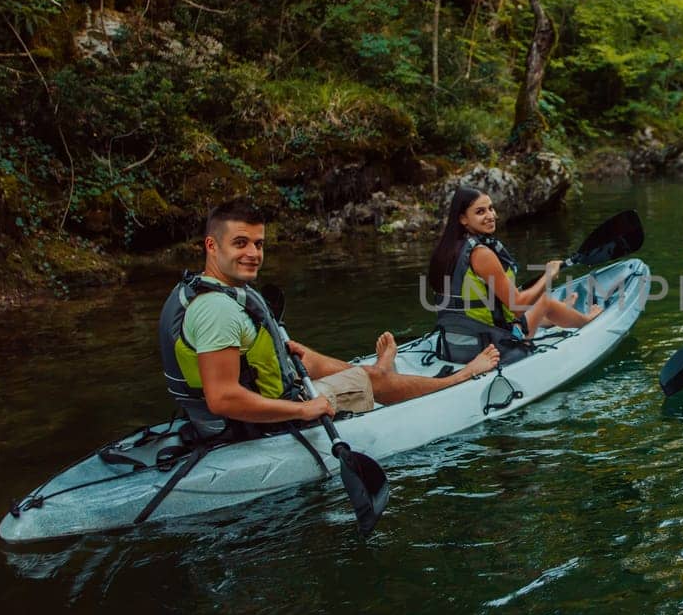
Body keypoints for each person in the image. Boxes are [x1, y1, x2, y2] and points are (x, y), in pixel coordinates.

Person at [159, 200, 498, 438]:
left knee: (301, 353)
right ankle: (458, 377)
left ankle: (381, 371)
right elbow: (223, 398)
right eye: (240, 243)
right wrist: (303, 411)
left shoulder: (204, 290)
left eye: (258, 244)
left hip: (264, 395)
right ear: (211, 246)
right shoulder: (216, 310)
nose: (253, 253)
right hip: (262, 422)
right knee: (370, 380)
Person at [426, 186, 602, 347]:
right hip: (487, 347)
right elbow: (517, 307)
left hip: (453, 343)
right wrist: (548, 276)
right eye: (480, 212)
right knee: (544, 301)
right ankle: (587, 321)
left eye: (491, 208)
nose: (490, 216)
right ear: (463, 219)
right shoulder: (481, 254)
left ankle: (556, 316)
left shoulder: (446, 249)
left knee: (529, 305)